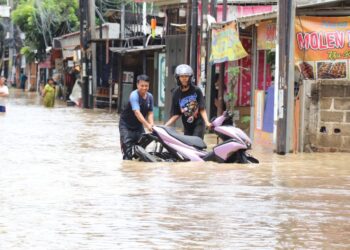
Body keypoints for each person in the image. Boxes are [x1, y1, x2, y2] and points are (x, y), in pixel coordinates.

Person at [165, 64, 211, 139]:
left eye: (186, 76)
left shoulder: (197, 90)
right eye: (182, 76)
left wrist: (207, 122)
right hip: (187, 126)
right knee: (187, 147)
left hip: (198, 123)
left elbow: (202, 109)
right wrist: (165, 126)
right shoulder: (176, 93)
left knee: (196, 144)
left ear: (190, 77)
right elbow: (176, 114)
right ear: (178, 78)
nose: (184, 79)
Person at [119, 74, 154, 160]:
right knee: (128, 154)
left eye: (146, 86)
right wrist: (147, 125)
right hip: (126, 126)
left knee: (141, 152)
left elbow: (150, 112)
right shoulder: (134, 95)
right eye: (142, 86)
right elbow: (137, 112)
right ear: (137, 85)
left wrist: (152, 124)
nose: (144, 88)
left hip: (138, 126)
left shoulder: (150, 97)